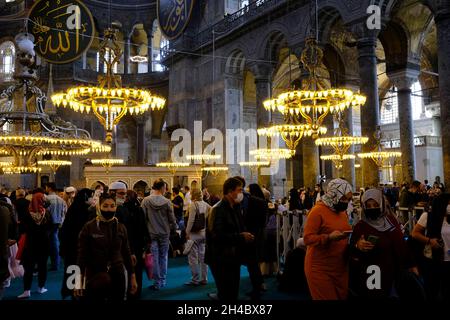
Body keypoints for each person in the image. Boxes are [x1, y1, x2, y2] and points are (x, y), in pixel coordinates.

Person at [349, 188, 417, 298]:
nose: (372, 208)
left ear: (381, 204)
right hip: (373, 275)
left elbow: (401, 244)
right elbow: (352, 254)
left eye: (375, 204)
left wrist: (411, 264)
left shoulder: (390, 221)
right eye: (368, 206)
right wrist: (358, 246)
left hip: (394, 272)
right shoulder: (361, 227)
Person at [75, 194, 137, 301]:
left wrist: (132, 277)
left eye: (112, 206)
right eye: (105, 206)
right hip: (95, 273)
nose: (109, 209)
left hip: (118, 273)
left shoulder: (121, 228)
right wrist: (77, 281)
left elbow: (126, 253)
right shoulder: (89, 227)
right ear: (99, 206)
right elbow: (81, 255)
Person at [205, 177, 254, 301]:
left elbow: (236, 228)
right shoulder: (217, 209)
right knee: (227, 294)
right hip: (220, 257)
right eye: (239, 190)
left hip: (233, 256)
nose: (241, 193)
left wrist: (245, 235)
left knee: (233, 291)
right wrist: (241, 237)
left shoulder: (235, 207)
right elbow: (217, 236)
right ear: (230, 191)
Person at [303, 178, 353, 300]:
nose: (346, 202)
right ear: (334, 194)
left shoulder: (342, 212)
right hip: (320, 268)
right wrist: (329, 237)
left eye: (348, 199)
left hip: (339, 267)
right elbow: (307, 239)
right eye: (343, 198)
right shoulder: (317, 211)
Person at [412, 193, 450, 300]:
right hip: (434, 259)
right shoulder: (428, 216)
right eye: (448, 204)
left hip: (448, 260)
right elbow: (414, 233)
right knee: (432, 290)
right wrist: (429, 241)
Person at [59, 188, 95, 299]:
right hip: (77, 248)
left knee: (73, 269)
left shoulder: (75, 208)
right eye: (91, 196)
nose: (93, 199)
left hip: (71, 247)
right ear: (85, 197)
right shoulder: (82, 210)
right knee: (78, 270)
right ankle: (76, 293)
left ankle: (72, 292)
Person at [141, 180, 177, 290]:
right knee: (164, 257)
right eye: (165, 187)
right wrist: (174, 229)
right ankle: (163, 280)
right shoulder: (167, 202)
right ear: (161, 187)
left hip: (151, 232)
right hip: (164, 233)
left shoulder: (146, 201)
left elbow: (142, 217)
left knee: (155, 257)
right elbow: (172, 219)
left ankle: (156, 282)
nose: (165, 190)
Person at [17, 190, 52, 299]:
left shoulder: (27, 214)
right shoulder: (46, 213)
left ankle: (27, 290)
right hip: (44, 244)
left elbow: (22, 229)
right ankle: (41, 287)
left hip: (30, 244)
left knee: (29, 268)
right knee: (42, 266)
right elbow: (50, 228)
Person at [241, 181, 268, 299]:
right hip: (260, 234)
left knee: (252, 262)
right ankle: (260, 283)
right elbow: (263, 221)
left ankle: (257, 288)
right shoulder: (263, 202)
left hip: (251, 234)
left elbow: (246, 218)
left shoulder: (250, 202)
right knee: (254, 262)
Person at [122, 190, 149, 299]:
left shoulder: (123, 210)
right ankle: (136, 292)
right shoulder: (139, 210)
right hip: (138, 245)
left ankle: (127, 291)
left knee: (127, 269)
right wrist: (145, 246)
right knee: (137, 270)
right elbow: (144, 228)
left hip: (127, 244)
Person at [184, 189, 211, 286]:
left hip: (194, 234)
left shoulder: (193, 205)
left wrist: (187, 233)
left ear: (193, 195)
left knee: (193, 258)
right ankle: (204, 278)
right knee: (203, 257)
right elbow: (212, 211)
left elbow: (191, 221)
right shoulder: (205, 204)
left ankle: (195, 279)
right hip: (203, 234)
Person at [45, 182, 67, 271]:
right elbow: (64, 213)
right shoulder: (61, 200)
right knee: (55, 243)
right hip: (57, 223)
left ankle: (45, 264)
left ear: (49, 188)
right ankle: (55, 264)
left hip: (47, 224)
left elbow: (45, 213)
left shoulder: (46, 198)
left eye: (46, 187)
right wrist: (61, 222)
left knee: (46, 244)